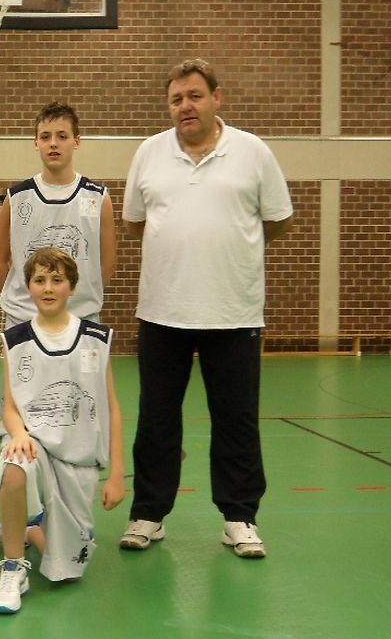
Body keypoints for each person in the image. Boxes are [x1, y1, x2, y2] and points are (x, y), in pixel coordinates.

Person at [119, 59, 293, 557]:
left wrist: (231, 247)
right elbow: (134, 222)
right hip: (162, 312)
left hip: (234, 313)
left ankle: (240, 517)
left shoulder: (253, 152)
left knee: (236, 420)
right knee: (156, 420)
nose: (185, 106)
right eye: (176, 99)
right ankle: (148, 514)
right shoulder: (149, 153)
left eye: (194, 96)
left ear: (217, 97)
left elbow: (279, 220)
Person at [0, 247, 124, 615]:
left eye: (57, 280)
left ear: (71, 287)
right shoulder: (15, 339)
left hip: (78, 457)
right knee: (14, 466)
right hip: (34, 444)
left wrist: (116, 475)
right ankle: (13, 569)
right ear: (29, 287)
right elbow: (10, 406)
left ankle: (20, 526)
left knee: (67, 568)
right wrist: (19, 434)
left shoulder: (96, 338)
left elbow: (112, 408)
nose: (48, 288)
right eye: (40, 280)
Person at [0, 101, 117, 328]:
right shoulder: (17, 197)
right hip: (24, 320)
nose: (53, 143)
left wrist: (80, 298)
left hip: (81, 319)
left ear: (76, 141)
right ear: (36, 143)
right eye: (45, 136)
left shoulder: (98, 197)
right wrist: (21, 302)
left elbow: (106, 264)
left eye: (62, 136)